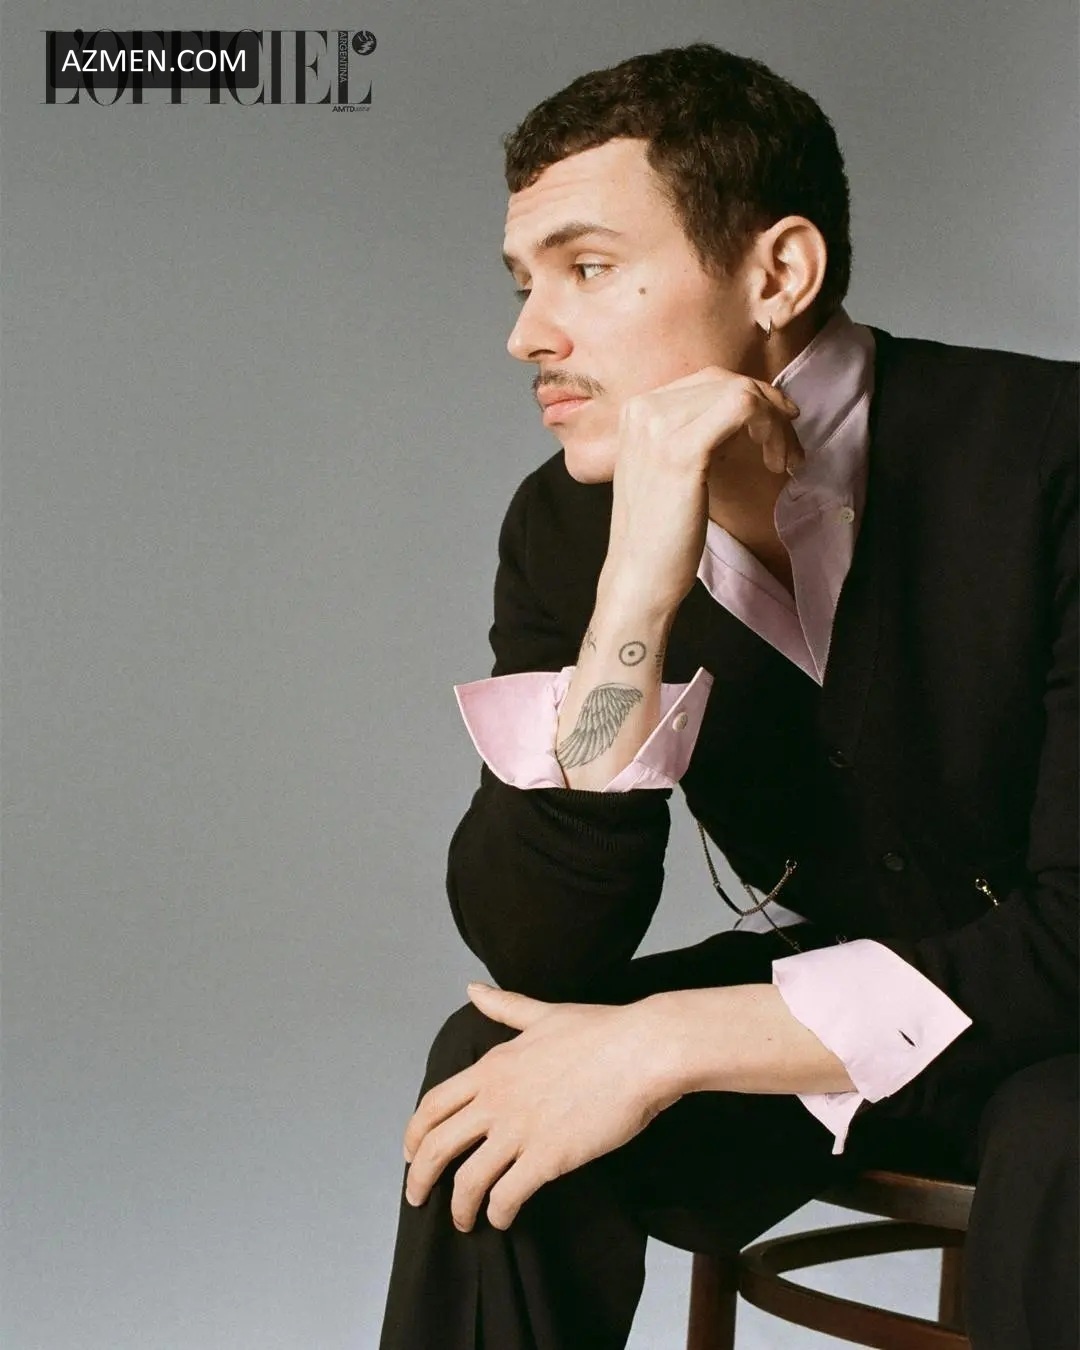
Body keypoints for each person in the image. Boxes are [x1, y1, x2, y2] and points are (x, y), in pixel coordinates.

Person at [378, 43, 1077, 1350]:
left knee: (1065, 1136)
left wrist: (669, 1042)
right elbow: (538, 947)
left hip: (1063, 1023)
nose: (528, 334)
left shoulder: (1053, 452)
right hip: (869, 1010)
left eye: (588, 268)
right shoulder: (568, 526)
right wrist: (636, 591)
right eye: (525, 282)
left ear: (778, 274)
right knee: (498, 1072)